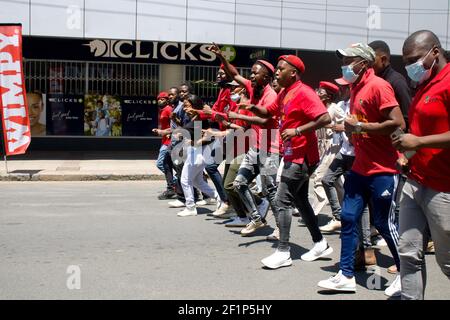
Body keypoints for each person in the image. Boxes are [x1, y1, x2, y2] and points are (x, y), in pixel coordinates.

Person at [317, 43, 405, 296]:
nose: (344, 65)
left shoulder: (379, 86)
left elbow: (397, 123)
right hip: (360, 167)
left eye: (349, 60)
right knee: (347, 217)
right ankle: (345, 275)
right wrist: (351, 130)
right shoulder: (355, 88)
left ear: (363, 63)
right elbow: (357, 126)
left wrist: (360, 129)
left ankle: (406, 274)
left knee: (383, 223)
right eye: (343, 60)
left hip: (383, 169)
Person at [246, 55, 333, 269]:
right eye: (276, 68)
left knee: (281, 200)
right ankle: (320, 243)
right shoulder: (284, 92)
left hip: (303, 156)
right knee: (301, 200)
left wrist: (297, 130)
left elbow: (324, 118)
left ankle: (283, 251)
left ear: (293, 72)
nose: (276, 72)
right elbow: (268, 111)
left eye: (280, 68)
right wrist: (249, 106)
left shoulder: (304, 92)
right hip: (292, 154)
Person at [392, 30, 450, 300]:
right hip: (415, 182)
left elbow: (421, 138)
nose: (410, 67)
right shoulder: (424, 85)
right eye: (406, 62)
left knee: (446, 262)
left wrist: (419, 142)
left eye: (415, 59)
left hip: (443, 189)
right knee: (408, 252)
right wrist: (408, 155)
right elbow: (419, 135)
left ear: (435, 52)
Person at [208, 43, 279, 236]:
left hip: (270, 146)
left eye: (256, 73)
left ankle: (281, 227)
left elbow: (263, 119)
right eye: (252, 73)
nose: (251, 76)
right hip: (256, 146)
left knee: (270, 190)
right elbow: (234, 75)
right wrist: (222, 57)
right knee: (239, 184)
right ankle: (256, 219)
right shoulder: (252, 88)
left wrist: (240, 113)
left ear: (267, 77)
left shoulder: (271, 95)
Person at [369, 40, 413, 274]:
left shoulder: (395, 82)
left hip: (398, 154)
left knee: (398, 206)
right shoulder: (374, 82)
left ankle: (405, 259)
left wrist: (405, 153)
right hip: (381, 155)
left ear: (383, 59)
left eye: (371, 59)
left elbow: (407, 119)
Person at [176, 94, 223, 217]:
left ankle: (190, 207)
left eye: (187, 106)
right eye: (184, 106)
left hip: (200, 153)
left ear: (194, 106)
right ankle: (220, 197)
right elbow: (197, 137)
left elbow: (207, 137)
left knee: (185, 180)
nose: (185, 109)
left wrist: (188, 139)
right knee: (197, 181)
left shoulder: (199, 119)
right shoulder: (194, 118)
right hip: (198, 151)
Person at [310, 81, 343, 216]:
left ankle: (314, 211)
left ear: (328, 96)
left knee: (319, 177)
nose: (317, 93)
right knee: (337, 182)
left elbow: (346, 122)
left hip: (332, 147)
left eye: (321, 92)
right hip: (321, 147)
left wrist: (334, 127)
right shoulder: (319, 108)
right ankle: (345, 209)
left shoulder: (334, 108)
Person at [152, 91, 175, 200]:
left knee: (160, 163)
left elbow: (174, 125)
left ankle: (176, 182)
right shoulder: (162, 110)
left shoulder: (169, 110)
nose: (160, 101)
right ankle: (174, 185)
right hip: (164, 140)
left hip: (169, 141)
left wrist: (166, 133)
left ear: (167, 100)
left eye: (162, 99)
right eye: (159, 99)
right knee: (167, 164)